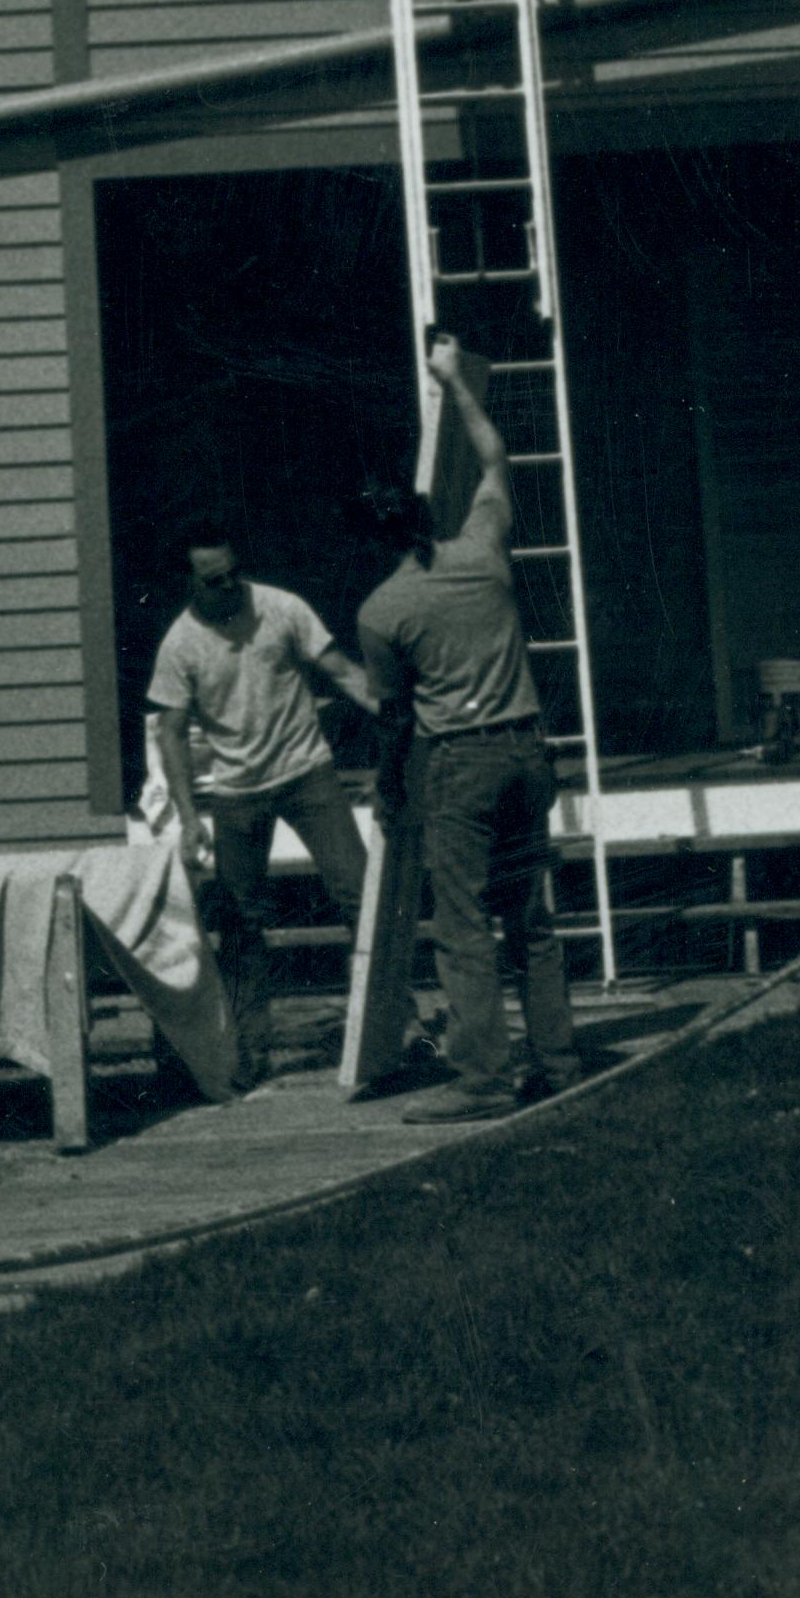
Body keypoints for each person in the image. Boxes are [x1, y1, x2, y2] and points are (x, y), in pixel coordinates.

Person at [350, 332, 582, 1121]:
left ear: (371, 540)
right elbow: (493, 458)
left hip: (463, 767)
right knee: (531, 919)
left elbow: (391, 718)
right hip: (528, 750)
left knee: (462, 932)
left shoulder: (383, 610)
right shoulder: (483, 547)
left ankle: (482, 1081)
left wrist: (385, 789)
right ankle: (556, 1060)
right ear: (423, 515)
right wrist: (453, 381)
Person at [141, 521, 384, 1070]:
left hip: (308, 774)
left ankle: (396, 1023)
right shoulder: (179, 645)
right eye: (213, 580)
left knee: (360, 893)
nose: (228, 587)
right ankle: (248, 1051)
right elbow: (171, 734)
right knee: (242, 923)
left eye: (233, 575)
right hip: (237, 793)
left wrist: (402, 715)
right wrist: (188, 816)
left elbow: (343, 672)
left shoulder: (282, 608)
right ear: (191, 582)